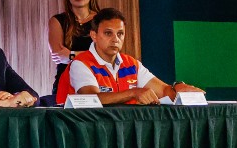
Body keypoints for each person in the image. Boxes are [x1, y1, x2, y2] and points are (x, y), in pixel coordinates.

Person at [56, 8, 202, 105]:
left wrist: (178, 89)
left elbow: (163, 91)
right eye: (108, 33)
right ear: (94, 35)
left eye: (120, 34)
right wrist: (133, 93)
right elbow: (92, 98)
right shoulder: (80, 63)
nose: (115, 39)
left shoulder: (132, 64)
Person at [47, 0, 100, 97]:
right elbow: (59, 55)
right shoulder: (57, 20)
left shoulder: (102, 19)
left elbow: (107, 55)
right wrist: (91, 55)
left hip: (98, 80)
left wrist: (72, 55)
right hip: (66, 81)